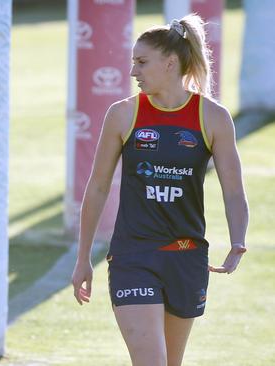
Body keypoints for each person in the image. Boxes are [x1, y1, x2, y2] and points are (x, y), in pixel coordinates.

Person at [71, 14, 249, 366]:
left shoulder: (211, 117)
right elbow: (98, 188)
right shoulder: (123, 114)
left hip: (186, 256)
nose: (133, 71)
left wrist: (238, 240)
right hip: (132, 256)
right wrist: (83, 258)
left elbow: (233, 190)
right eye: (132, 62)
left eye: (141, 62)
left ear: (170, 63)